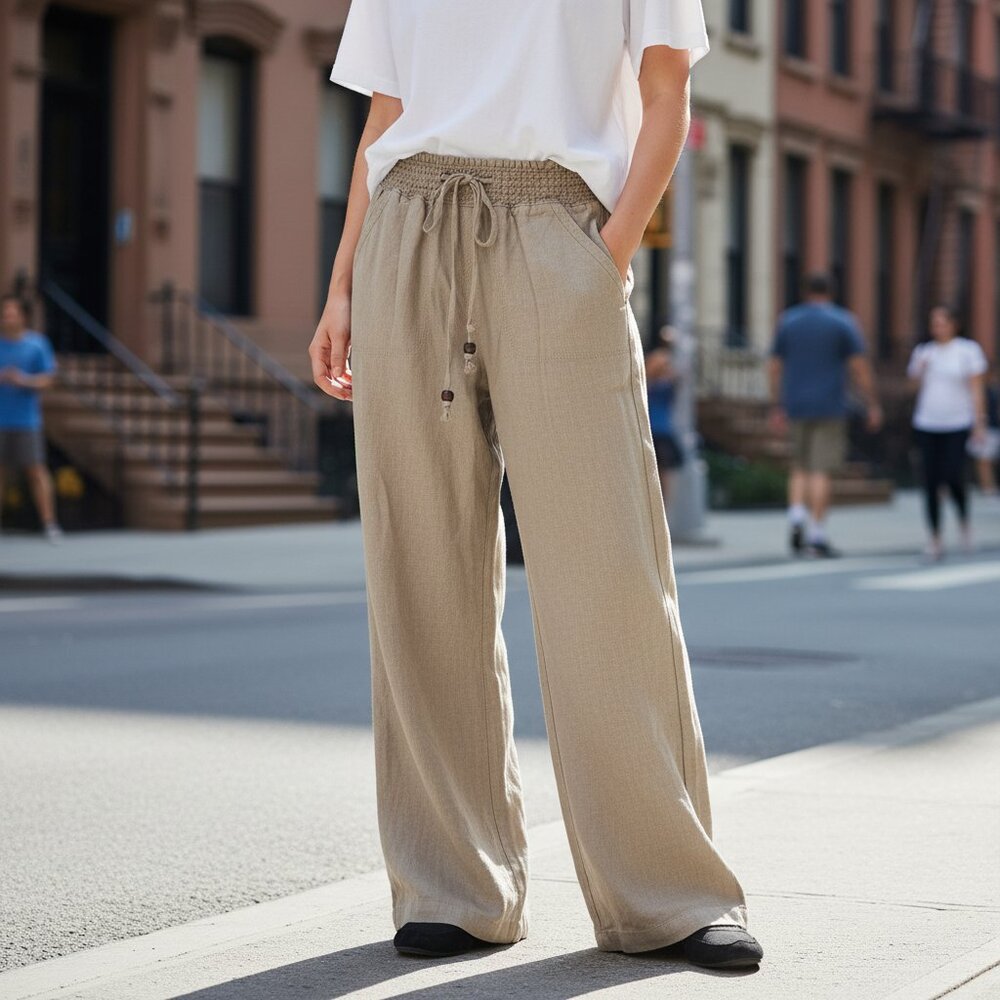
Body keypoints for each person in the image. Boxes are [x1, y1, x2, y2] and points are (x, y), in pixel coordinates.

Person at [310, 0, 763, 972]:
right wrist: (343, 281)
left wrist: (607, 257)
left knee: (609, 576)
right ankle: (454, 885)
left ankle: (667, 892)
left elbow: (667, 93)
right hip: (406, 228)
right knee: (420, 569)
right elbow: (387, 110)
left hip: (557, 227)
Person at [768, 273, 882, 558]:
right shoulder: (842, 321)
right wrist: (871, 403)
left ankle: (796, 517)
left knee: (799, 466)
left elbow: (774, 366)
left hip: (796, 404)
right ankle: (816, 534)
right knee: (821, 470)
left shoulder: (788, 321)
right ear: (831, 292)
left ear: (805, 291)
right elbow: (859, 367)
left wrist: (777, 403)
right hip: (830, 405)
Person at [907, 304, 989, 560]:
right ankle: (935, 537)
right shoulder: (924, 352)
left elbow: (976, 388)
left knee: (953, 475)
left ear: (954, 324)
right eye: (934, 323)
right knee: (930, 481)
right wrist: (920, 370)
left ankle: (964, 522)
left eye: (942, 322)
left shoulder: (967, 351)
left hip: (958, 422)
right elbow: (911, 387)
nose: (938, 328)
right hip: (927, 422)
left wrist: (979, 423)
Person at [0, 292, 61, 542]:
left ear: (23, 316)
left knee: (36, 471)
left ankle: (49, 524)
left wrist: (24, 380)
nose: (7, 318)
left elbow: (50, 379)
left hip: (27, 420)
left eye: (11, 313)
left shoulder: (37, 344)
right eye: (4, 314)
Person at [645, 326, 685, 510]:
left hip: (660, 427)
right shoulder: (662, 366)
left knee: (663, 472)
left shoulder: (669, 372)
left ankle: (661, 509)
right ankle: (659, 509)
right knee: (660, 472)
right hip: (656, 426)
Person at [968, 370, 999, 497]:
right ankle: (987, 487)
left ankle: (990, 486)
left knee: (987, 459)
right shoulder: (982, 390)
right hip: (986, 427)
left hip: (994, 427)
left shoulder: (994, 390)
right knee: (983, 459)